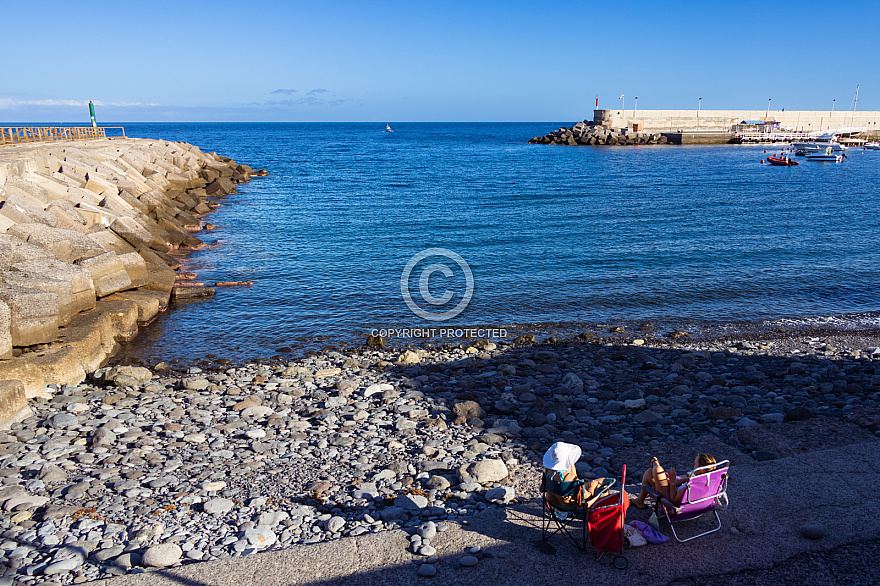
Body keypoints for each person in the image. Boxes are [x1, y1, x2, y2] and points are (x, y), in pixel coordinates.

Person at [632, 453, 717, 509]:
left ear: (701, 469)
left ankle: (655, 463)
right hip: (679, 493)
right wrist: (679, 481)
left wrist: (672, 481)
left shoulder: (693, 485)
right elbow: (686, 484)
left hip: (670, 502)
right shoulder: (706, 480)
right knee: (649, 472)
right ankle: (640, 501)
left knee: (657, 469)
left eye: (695, 465)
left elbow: (673, 500)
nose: (694, 467)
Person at [541, 441, 609, 511]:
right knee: (605, 485)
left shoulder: (547, 472)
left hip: (552, 502)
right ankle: (598, 515)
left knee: (601, 480)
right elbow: (587, 496)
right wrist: (592, 487)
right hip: (570, 506)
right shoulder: (569, 477)